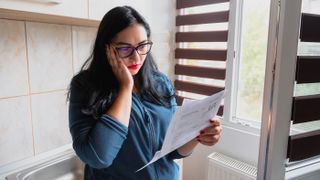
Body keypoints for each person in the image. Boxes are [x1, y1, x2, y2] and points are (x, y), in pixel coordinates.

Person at [68, 6, 222, 180]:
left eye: (142, 46)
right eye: (125, 48)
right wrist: (126, 87)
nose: (136, 58)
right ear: (107, 49)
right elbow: (99, 157)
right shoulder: (85, 86)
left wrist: (198, 135)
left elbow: (170, 151)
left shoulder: (160, 83)